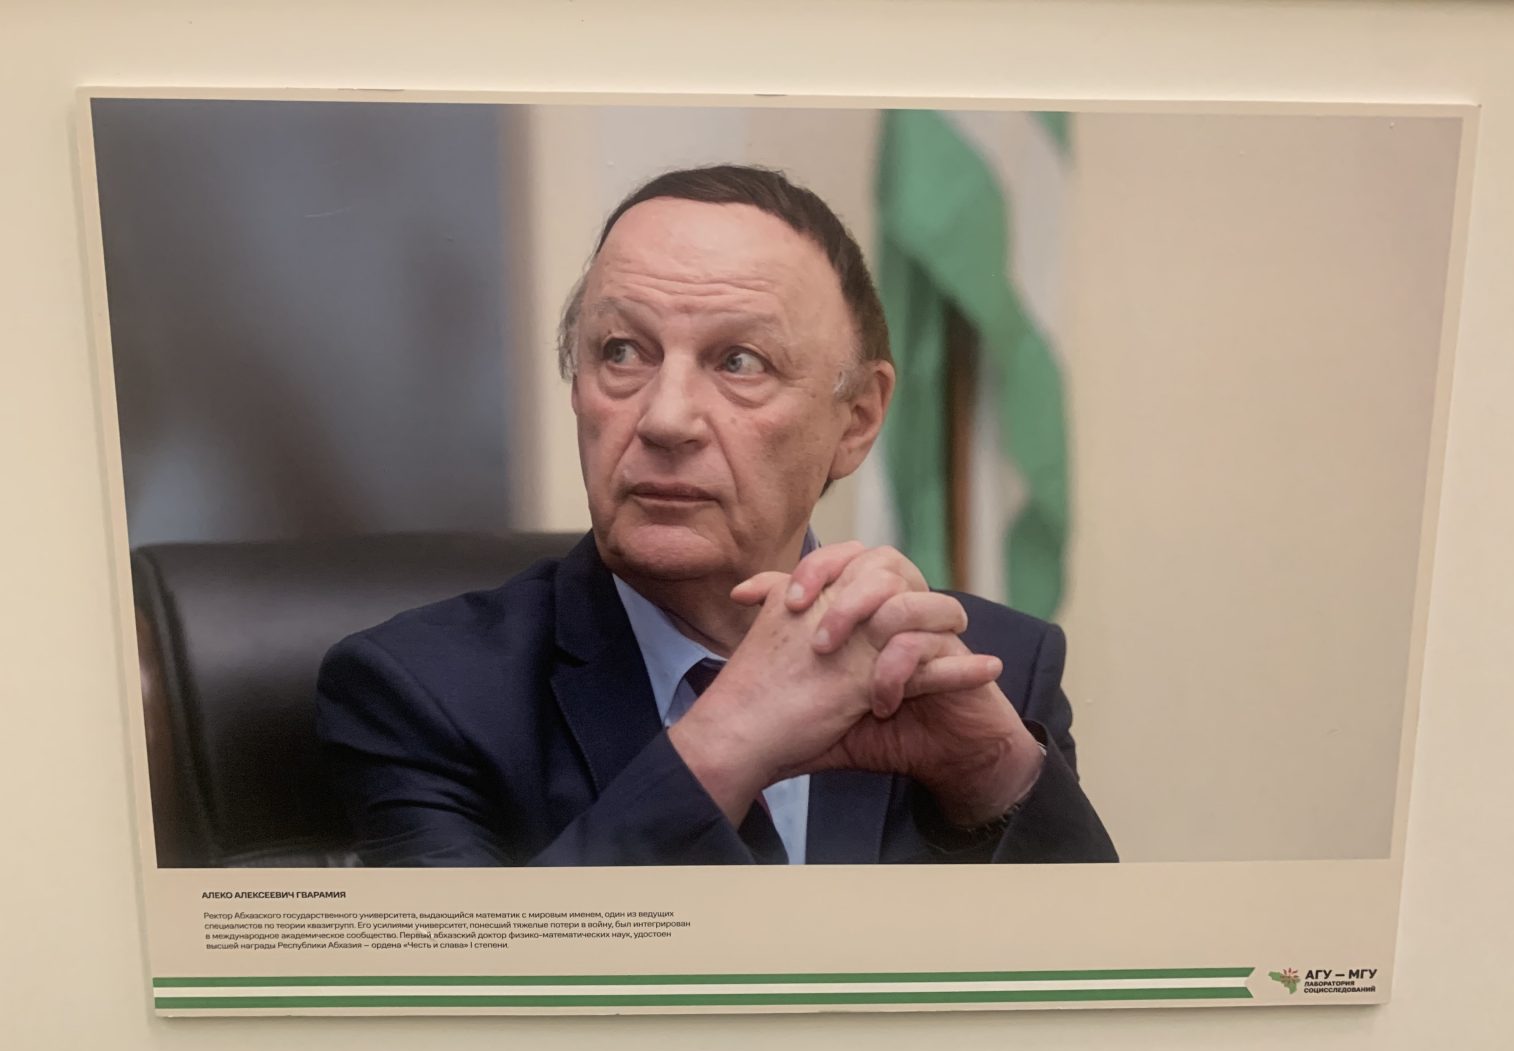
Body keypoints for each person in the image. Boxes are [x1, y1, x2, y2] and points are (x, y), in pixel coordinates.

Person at [316, 164, 1116, 866]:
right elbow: (477, 983)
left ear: (858, 419)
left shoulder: (996, 667)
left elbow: (1097, 978)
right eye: (622, 352)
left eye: (740, 362)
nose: (665, 420)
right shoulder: (424, 694)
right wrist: (728, 740)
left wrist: (992, 778)